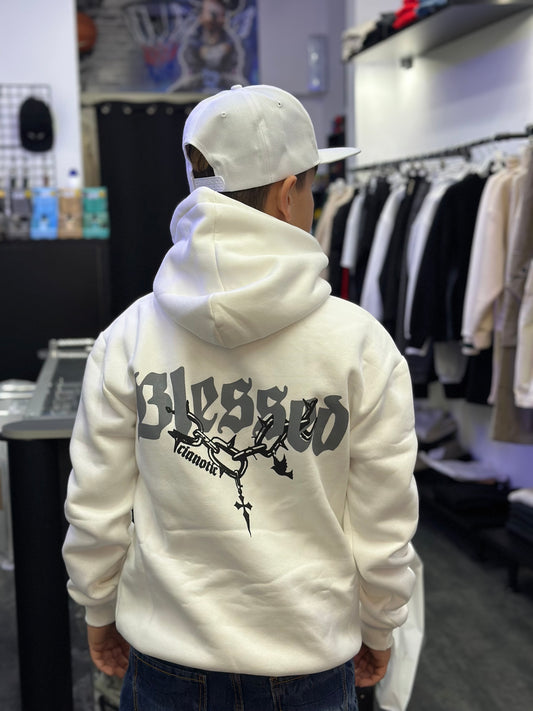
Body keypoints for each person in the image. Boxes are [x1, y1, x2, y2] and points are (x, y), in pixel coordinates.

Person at [62, 83, 419, 711]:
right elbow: (382, 522)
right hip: (309, 655)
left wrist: (98, 605)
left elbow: (96, 504)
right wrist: (379, 623)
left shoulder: (128, 337)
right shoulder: (362, 344)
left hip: (167, 656)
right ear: (288, 193)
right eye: (311, 188)